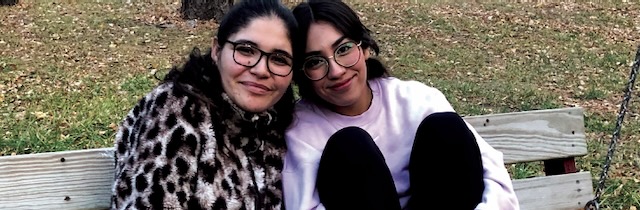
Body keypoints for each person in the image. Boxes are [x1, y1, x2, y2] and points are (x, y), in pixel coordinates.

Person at [282, 0, 520, 209]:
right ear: (302, 73)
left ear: (364, 48)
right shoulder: (302, 130)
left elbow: (493, 176)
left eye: (344, 49)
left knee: (445, 128)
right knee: (350, 146)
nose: (336, 71)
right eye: (315, 61)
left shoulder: (415, 100)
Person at [110, 0, 299, 209]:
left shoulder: (280, 124)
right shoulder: (178, 110)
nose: (262, 70)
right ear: (217, 51)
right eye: (246, 50)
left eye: (280, 59)